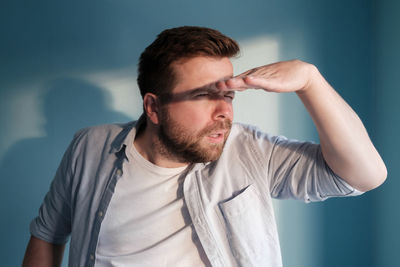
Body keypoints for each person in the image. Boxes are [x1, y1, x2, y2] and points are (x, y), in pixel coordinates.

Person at [22, 26, 387, 267]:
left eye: (228, 96)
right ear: (153, 107)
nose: (224, 112)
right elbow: (47, 235)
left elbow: (365, 176)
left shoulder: (248, 150)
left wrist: (310, 80)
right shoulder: (89, 147)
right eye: (204, 96)